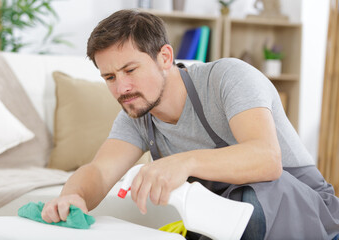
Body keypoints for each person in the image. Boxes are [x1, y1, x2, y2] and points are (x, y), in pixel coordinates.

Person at [42, 9, 339, 239]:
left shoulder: (228, 78)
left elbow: (267, 158)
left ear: (165, 57)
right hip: (226, 219)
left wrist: (182, 163)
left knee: (244, 202)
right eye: (110, 78)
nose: (121, 88)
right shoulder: (137, 115)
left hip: (306, 210)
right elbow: (98, 171)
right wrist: (73, 196)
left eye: (130, 69)